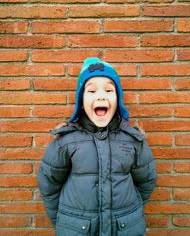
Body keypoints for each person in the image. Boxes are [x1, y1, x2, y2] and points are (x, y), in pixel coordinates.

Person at [37, 57, 157, 236]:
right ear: (81, 102)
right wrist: (66, 221)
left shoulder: (132, 139)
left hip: (125, 228)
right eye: (91, 91)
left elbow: (146, 180)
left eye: (109, 90)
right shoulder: (66, 141)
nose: (101, 95)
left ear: (118, 100)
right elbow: (49, 184)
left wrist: (130, 212)